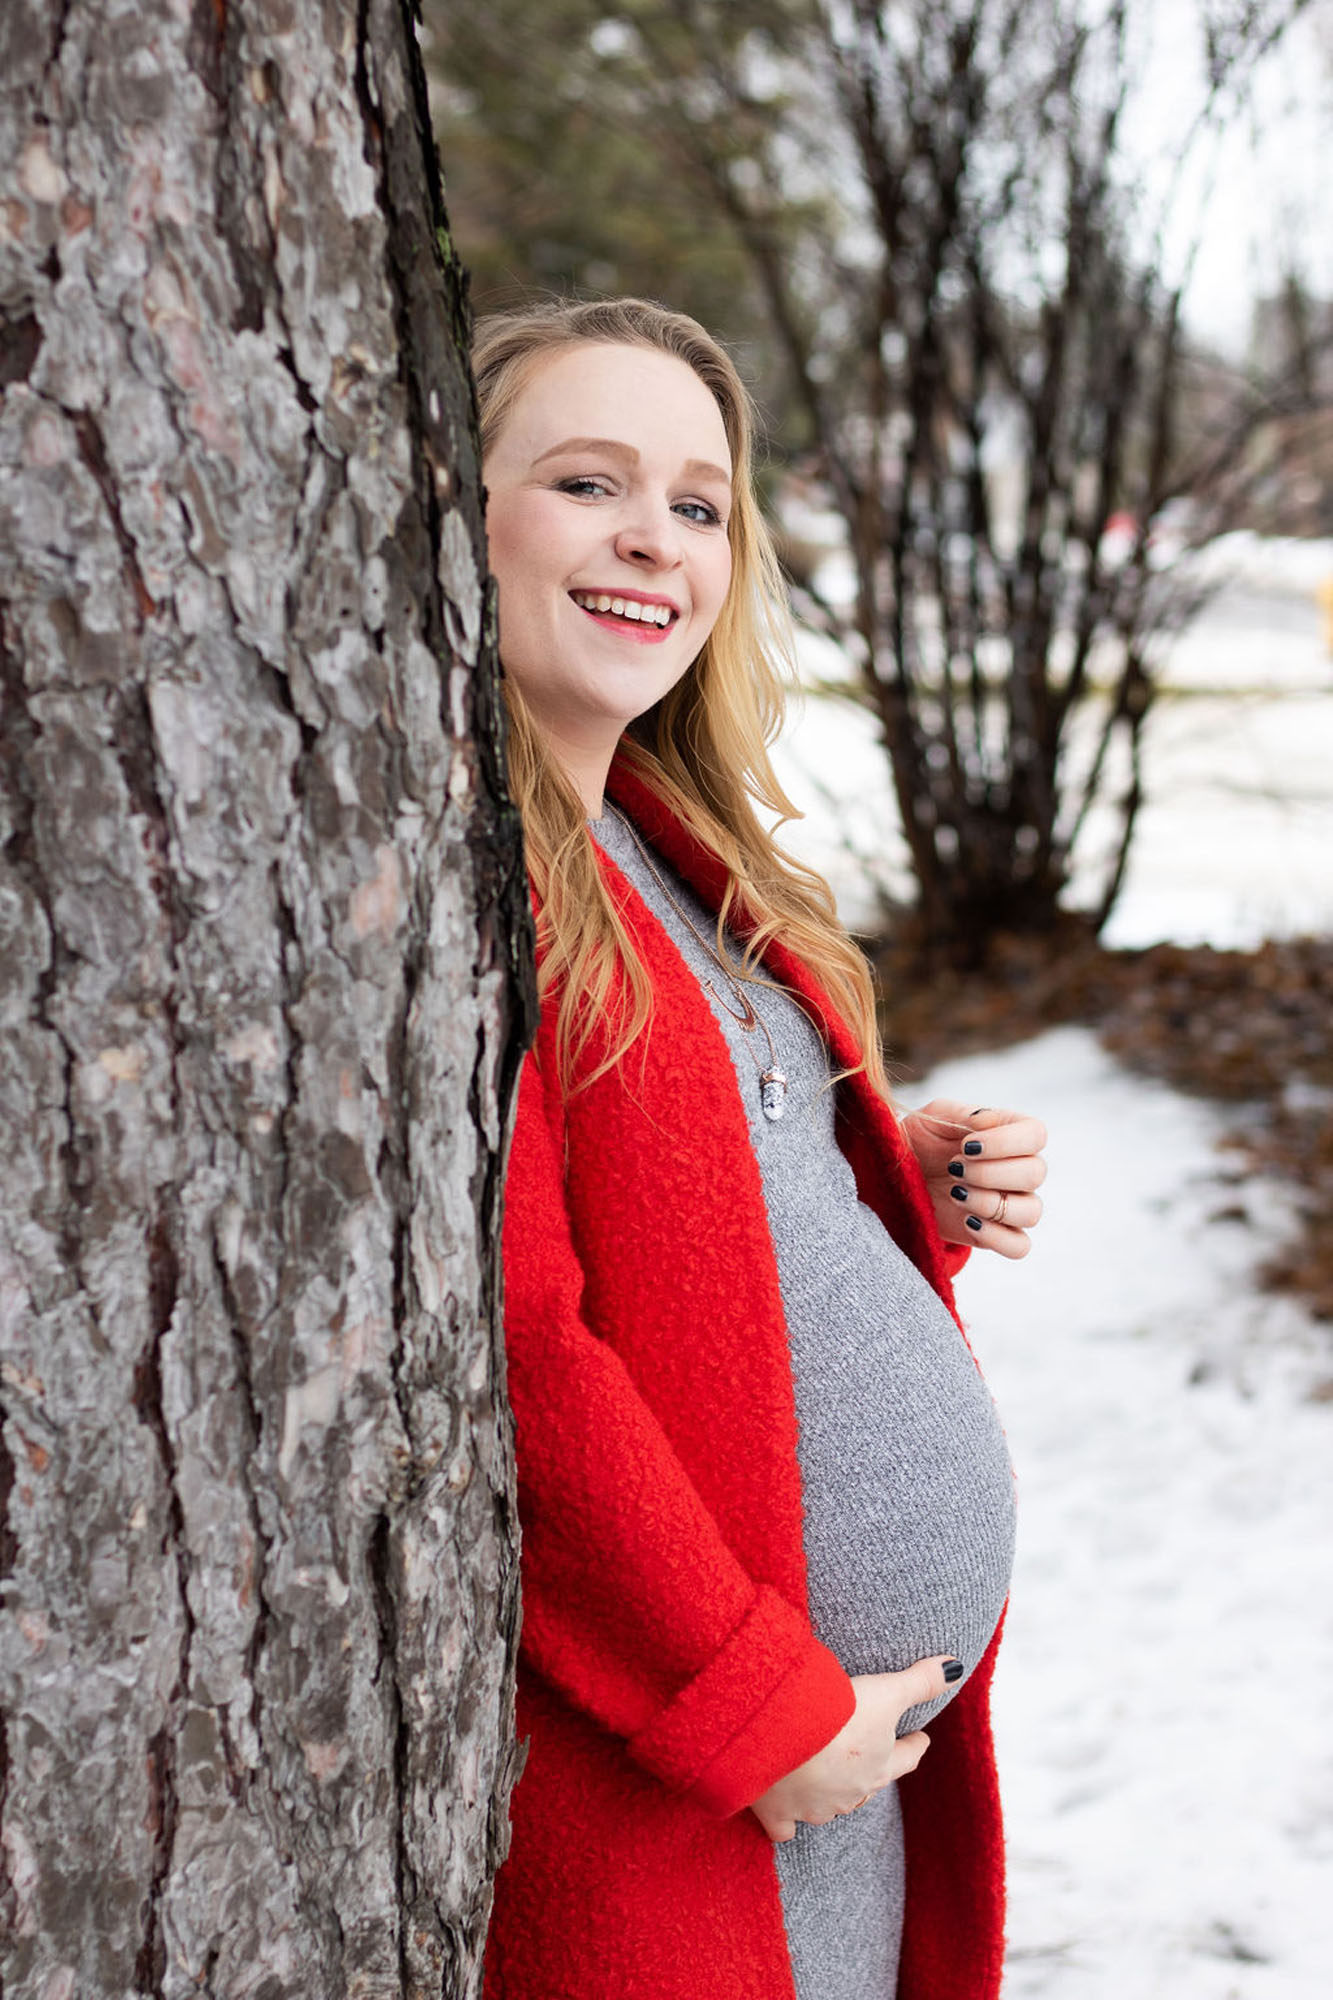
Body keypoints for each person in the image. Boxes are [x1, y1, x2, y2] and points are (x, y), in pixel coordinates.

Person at [475, 297, 1048, 2000]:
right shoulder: (471, 884)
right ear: (450, 510)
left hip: (834, 1761)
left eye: (699, 502)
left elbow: (692, 1221)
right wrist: (747, 1708)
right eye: (587, 482)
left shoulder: (662, 842)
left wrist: (883, 1183)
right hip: (682, 1768)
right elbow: (509, 1356)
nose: (653, 534)